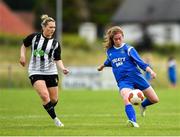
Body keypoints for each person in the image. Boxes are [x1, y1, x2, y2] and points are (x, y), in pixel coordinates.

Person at [97, 26, 159, 128]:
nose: (118, 41)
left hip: (136, 77)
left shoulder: (129, 49)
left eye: (119, 38)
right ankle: (132, 121)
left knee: (154, 99)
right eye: (115, 39)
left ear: (123, 37)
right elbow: (110, 61)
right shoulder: (109, 51)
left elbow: (141, 63)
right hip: (123, 81)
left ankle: (143, 105)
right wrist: (102, 66)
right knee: (126, 97)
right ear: (112, 39)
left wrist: (151, 71)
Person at [19, 14, 69, 127]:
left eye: (54, 27)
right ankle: (56, 120)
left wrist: (63, 68)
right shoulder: (34, 37)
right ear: (43, 27)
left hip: (51, 72)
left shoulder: (55, 43)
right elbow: (23, 45)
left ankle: (48, 107)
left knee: (54, 99)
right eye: (50, 27)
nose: (52, 30)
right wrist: (22, 56)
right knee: (44, 96)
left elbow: (58, 59)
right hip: (35, 71)